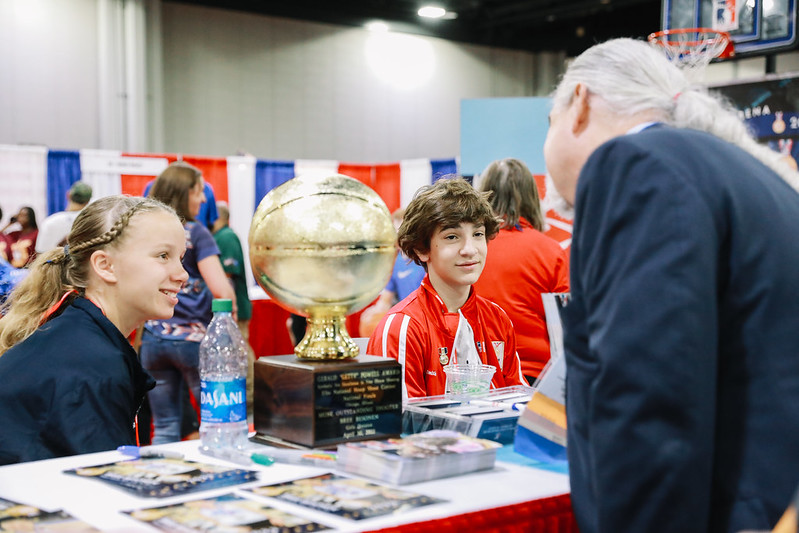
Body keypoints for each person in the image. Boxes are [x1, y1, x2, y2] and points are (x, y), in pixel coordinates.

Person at [543, 38, 799, 533]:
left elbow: (650, 392)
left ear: (579, 103)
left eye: (547, 122)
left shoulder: (635, 165)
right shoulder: (752, 177)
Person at [0, 196, 187, 464]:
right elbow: (100, 483)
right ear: (105, 266)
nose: (182, 274)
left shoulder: (78, 332)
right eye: (163, 256)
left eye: (180, 258)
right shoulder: (92, 365)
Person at [366, 177, 526, 399]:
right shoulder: (401, 328)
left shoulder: (498, 320)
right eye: (452, 237)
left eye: (478, 234)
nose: (470, 249)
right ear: (422, 249)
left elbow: (519, 403)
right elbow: (398, 424)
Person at [142, 161, 235, 444]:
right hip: (195, 340)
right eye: (198, 191)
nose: (204, 199)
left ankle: (164, 480)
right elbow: (222, 290)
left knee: (166, 426)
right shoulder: (195, 232)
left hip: (153, 339)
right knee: (218, 423)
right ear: (185, 192)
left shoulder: (146, 232)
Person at [473, 158, 570, 383]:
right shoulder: (551, 251)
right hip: (537, 378)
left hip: (477, 374)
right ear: (531, 197)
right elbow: (565, 328)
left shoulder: (470, 249)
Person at [212, 201, 254, 412]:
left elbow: (226, 275)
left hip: (233, 308)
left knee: (241, 350)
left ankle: (251, 396)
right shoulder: (220, 236)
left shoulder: (226, 236)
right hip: (227, 308)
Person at [359, 208, 426, 337]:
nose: (398, 236)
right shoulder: (397, 261)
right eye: (396, 231)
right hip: (404, 320)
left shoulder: (426, 260)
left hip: (423, 320)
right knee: (369, 321)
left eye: (402, 231)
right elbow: (385, 300)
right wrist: (373, 312)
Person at [35, 181, 93, 253]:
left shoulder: (50, 222)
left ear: (68, 195)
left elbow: (39, 255)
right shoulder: (92, 222)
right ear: (88, 200)